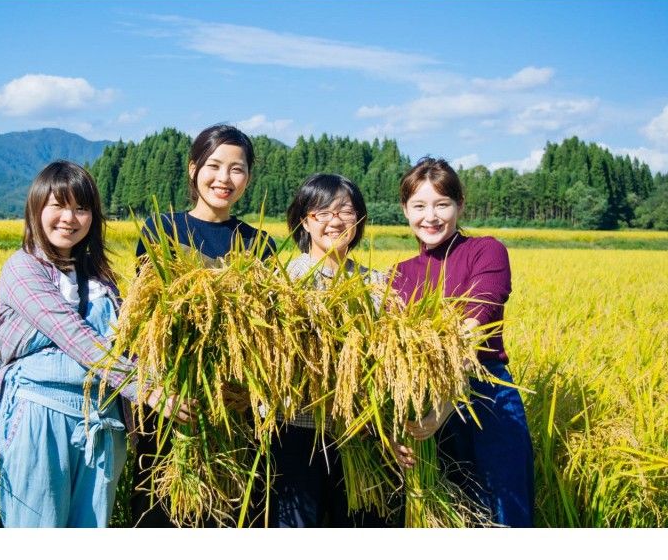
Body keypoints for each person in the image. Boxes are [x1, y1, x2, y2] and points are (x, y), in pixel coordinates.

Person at [0, 160, 190, 528]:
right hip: (40, 414)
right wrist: (146, 390)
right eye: (58, 205)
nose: (69, 217)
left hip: (102, 420)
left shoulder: (100, 278)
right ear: (36, 208)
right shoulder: (23, 268)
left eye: (81, 208)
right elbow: (74, 335)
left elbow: (127, 343)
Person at [132, 124, 276, 526]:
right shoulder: (161, 230)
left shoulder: (258, 242)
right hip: (171, 404)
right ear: (193, 168)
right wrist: (158, 389)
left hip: (232, 409)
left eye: (237, 169)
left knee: (230, 513)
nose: (224, 178)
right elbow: (143, 320)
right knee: (161, 515)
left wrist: (249, 393)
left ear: (248, 177)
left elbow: (266, 333)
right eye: (214, 165)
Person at [390, 157, 535, 527]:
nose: (431, 217)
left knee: (505, 512)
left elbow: (479, 315)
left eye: (442, 204)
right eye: (419, 206)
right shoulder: (399, 275)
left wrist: (447, 399)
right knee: (447, 510)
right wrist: (394, 425)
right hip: (421, 402)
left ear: (459, 206)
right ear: (405, 210)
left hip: (486, 395)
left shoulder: (486, 251)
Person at [275, 173, 414, 528]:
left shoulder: (378, 284)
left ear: (359, 220)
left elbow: (393, 362)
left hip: (363, 436)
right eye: (321, 212)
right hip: (297, 431)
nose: (334, 221)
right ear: (305, 220)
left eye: (346, 212)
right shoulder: (282, 281)